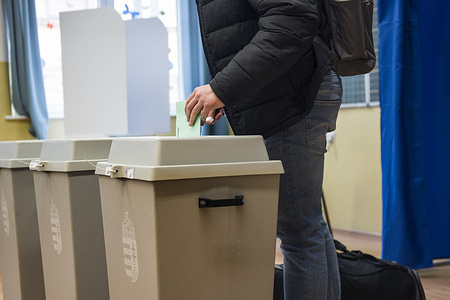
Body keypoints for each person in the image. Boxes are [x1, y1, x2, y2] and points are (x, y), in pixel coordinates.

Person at [185, 0, 342, 299]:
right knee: (308, 229)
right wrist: (226, 90)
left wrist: (223, 88)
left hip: (288, 100)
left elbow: (291, 21)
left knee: (299, 234)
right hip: (283, 95)